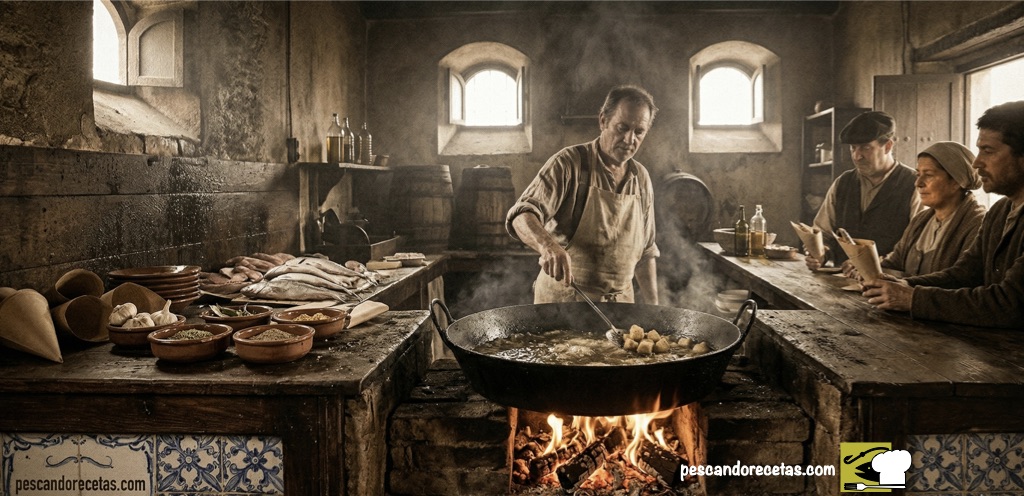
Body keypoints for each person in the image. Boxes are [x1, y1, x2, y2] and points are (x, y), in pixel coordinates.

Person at [863, 101, 1024, 328]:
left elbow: (1010, 304)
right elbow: (964, 275)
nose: (977, 163)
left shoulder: (977, 217)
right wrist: (905, 285)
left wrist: (912, 298)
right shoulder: (1000, 212)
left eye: (988, 151)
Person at [506, 85, 659, 304]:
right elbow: (521, 215)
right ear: (603, 121)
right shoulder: (569, 163)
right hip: (565, 304)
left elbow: (646, 252)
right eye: (622, 128)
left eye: (638, 132)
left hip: (621, 308)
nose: (629, 139)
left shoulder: (641, 178)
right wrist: (547, 246)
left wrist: (655, 310)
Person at [843, 141, 986, 279]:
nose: (918, 183)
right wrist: (866, 269)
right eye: (918, 174)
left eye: (928, 175)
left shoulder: (978, 224)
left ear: (956, 181)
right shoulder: (921, 220)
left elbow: (961, 279)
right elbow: (895, 262)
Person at [805, 111, 923, 270]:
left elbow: (917, 246)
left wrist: (874, 263)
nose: (856, 156)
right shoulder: (843, 183)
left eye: (865, 148)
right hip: (841, 282)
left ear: (888, 146)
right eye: (853, 148)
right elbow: (823, 232)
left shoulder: (914, 184)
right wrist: (820, 254)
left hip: (888, 284)